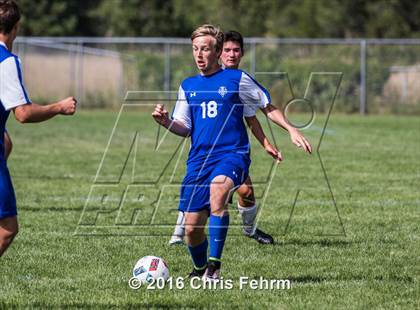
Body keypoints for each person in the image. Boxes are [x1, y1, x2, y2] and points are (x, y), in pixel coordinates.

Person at [153, 24, 285, 279]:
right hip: (198, 161)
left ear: (217, 52)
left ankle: (214, 267)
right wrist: (166, 122)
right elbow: (185, 128)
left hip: (232, 154)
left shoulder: (236, 79)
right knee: (192, 229)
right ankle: (199, 269)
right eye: (195, 49)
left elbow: (265, 105)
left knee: (219, 191)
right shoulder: (188, 85)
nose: (199, 54)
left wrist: (290, 129)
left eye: (205, 49)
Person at [169, 30, 312, 246]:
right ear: (219, 53)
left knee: (245, 192)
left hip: (231, 150)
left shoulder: (239, 81)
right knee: (212, 190)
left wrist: (273, 139)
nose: (231, 54)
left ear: (242, 53)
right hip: (207, 151)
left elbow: (252, 117)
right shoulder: (207, 79)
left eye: (236, 50)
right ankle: (182, 232)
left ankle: (248, 230)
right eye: (227, 50)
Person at [0, 0, 77, 257]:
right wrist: (59, 107)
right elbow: (22, 113)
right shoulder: (6, 61)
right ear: (16, 27)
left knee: (6, 141)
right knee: (7, 229)